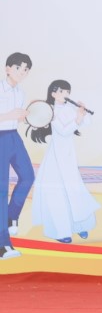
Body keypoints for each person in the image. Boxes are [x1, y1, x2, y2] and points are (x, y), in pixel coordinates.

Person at [28, 79, 98, 244]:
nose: (65, 95)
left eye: (67, 92)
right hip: (55, 156)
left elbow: (87, 122)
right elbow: (63, 131)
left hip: (68, 155)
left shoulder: (70, 108)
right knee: (56, 193)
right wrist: (77, 119)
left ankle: (80, 225)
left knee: (74, 189)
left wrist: (83, 112)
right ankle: (59, 231)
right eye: (61, 91)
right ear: (53, 93)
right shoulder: (50, 111)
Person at [0, 52, 33, 259]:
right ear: (7, 68)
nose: (22, 72)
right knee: (1, 190)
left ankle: (11, 216)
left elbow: (16, 119)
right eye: (19, 67)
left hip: (14, 137)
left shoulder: (21, 93)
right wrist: (9, 115)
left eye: (26, 69)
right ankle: (3, 246)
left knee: (28, 176)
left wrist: (23, 117)